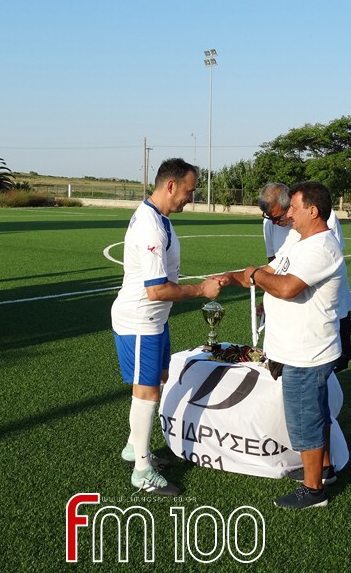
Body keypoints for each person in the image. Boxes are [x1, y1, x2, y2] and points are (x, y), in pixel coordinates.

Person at [218, 181, 344, 510]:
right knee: (316, 414)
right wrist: (232, 277)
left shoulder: (321, 246)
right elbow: (270, 270)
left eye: (294, 208)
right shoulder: (297, 240)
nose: (289, 214)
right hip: (297, 348)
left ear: (312, 211)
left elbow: (286, 287)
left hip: (306, 352)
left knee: (305, 420)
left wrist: (255, 277)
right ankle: (324, 470)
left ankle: (313, 491)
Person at [111, 157, 222, 496]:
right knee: (146, 392)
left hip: (155, 320)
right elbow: (156, 290)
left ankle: (135, 447)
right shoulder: (151, 226)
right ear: (171, 185)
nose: (191, 197)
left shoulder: (160, 218)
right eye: (189, 190)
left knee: (157, 379)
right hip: (139, 320)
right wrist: (201, 290)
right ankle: (142, 471)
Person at [258, 182, 351, 373]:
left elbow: (324, 260)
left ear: (291, 206)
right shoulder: (269, 223)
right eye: (269, 217)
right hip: (291, 309)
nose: (275, 222)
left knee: (331, 363)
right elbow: (274, 264)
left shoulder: (323, 220)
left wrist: (258, 277)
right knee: (288, 367)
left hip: (328, 308)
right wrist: (270, 296)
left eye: (278, 217)